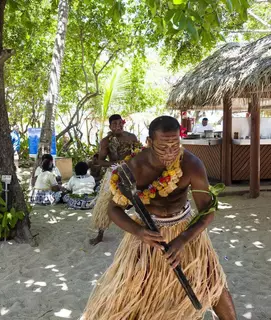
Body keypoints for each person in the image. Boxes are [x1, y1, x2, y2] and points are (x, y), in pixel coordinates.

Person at [82, 116, 234, 319]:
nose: (171, 152)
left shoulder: (192, 164)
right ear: (149, 142)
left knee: (212, 281)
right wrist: (139, 232)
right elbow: (114, 209)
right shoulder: (134, 168)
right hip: (147, 234)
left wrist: (182, 240)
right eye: (163, 146)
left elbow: (207, 210)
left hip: (185, 230)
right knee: (132, 289)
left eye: (175, 145)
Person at [90, 114, 139, 245]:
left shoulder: (131, 137)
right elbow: (100, 161)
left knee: (139, 199)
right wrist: (117, 163)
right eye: (114, 124)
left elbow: (139, 153)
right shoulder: (106, 141)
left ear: (123, 123)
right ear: (110, 126)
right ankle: (100, 233)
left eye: (120, 123)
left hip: (131, 172)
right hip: (113, 173)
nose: (118, 126)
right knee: (105, 203)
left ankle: (140, 229)